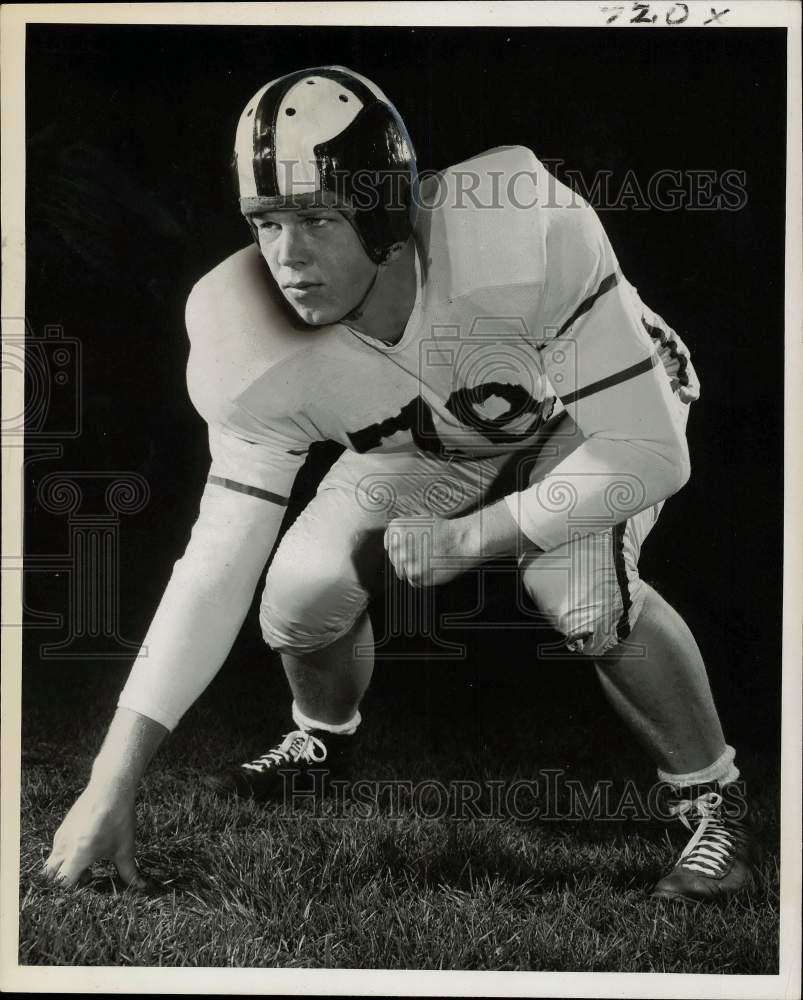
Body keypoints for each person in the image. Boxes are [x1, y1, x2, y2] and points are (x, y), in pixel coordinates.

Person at [44, 66, 759, 903]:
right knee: (301, 594)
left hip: (589, 411)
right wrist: (110, 781)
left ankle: (715, 802)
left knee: (576, 585)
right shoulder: (238, 326)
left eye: (316, 217)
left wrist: (472, 537)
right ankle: (322, 739)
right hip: (441, 440)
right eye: (266, 221)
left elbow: (646, 453)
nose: (287, 257)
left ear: (383, 211)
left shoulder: (514, 223)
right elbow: (214, 562)